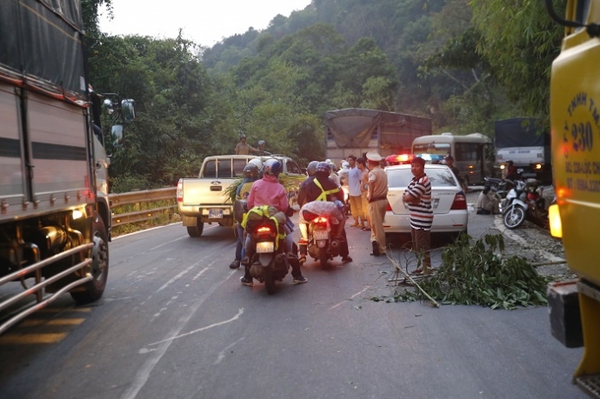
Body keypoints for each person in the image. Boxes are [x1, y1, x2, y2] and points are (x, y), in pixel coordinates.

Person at [241, 158, 306, 286]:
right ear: (277, 173)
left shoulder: (256, 184)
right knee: (288, 238)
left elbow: (249, 203)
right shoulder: (280, 188)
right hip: (274, 220)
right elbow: (283, 207)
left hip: (257, 219)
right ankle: (297, 275)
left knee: (248, 236)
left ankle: (247, 275)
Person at [297, 162, 351, 264]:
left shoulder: (309, 183)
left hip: (312, 210)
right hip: (329, 210)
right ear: (328, 171)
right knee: (341, 220)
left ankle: (303, 253)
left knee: (302, 224)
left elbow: (307, 199)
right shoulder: (331, 182)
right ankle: (344, 254)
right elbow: (340, 197)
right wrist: (342, 206)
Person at [402, 157, 433, 273]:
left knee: (422, 245)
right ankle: (422, 266)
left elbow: (409, 197)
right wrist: (411, 198)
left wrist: (411, 198)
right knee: (416, 245)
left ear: (423, 167)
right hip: (414, 219)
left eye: (417, 166)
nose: (414, 169)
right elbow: (405, 196)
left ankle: (427, 267)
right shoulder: (414, 180)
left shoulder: (423, 181)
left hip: (422, 220)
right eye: (412, 166)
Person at [230, 160, 261, 269]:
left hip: (244, 218)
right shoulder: (259, 185)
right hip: (258, 216)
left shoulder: (240, 187)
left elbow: (238, 205)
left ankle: (238, 259)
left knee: (240, 239)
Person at [365, 152, 388, 256]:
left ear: (369, 162)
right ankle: (374, 240)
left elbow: (371, 182)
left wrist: (370, 194)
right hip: (383, 200)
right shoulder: (383, 171)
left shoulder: (372, 173)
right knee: (377, 225)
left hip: (375, 201)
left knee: (377, 226)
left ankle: (381, 248)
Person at [347, 155, 366, 228]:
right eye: (349, 160)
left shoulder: (357, 170)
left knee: (359, 208)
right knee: (353, 208)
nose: (349, 162)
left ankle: (362, 222)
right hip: (351, 192)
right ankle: (356, 221)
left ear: (354, 161)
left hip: (357, 192)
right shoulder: (350, 170)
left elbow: (361, 180)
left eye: (351, 160)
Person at [356, 157, 371, 231]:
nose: (357, 166)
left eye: (357, 164)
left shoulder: (366, 172)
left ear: (361, 164)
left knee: (367, 209)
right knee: (365, 209)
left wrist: (366, 190)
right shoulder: (363, 172)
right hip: (363, 194)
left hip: (366, 194)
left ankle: (369, 225)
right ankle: (368, 224)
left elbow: (370, 183)